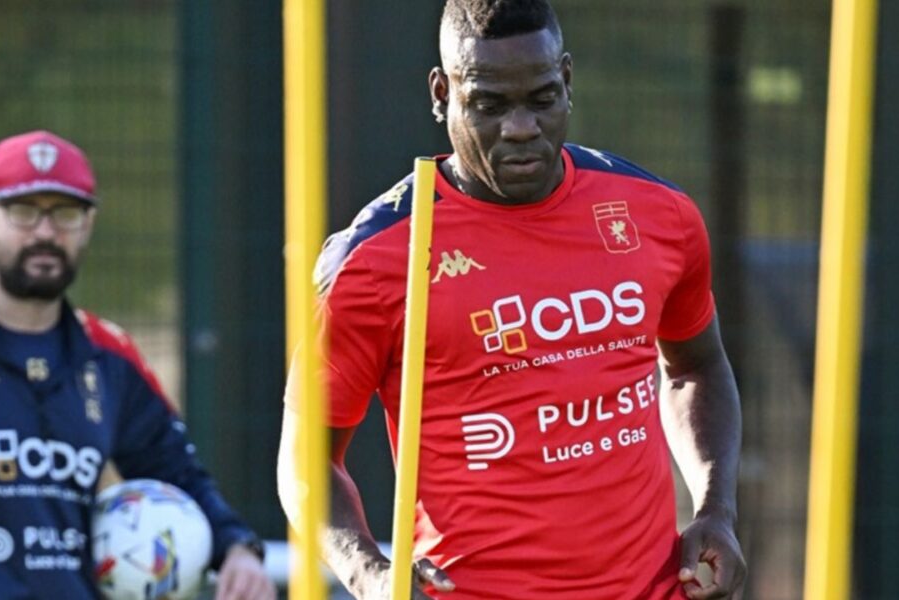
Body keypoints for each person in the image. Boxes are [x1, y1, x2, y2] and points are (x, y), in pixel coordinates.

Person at [277, 1, 747, 599]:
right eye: (489, 104)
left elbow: (695, 366)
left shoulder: (658, 213)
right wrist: (369, 573)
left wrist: (715, 508)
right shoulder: (378, 257)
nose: (520, 126)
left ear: (568, 81)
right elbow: (306, 457)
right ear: (442, 93)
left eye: (542, 99)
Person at [0, 130, 277, 600]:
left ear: (88, 224)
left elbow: (177, 472)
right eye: (24, 211)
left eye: (65, 213)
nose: (45, 232)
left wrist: (237, 548)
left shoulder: (110, 357)